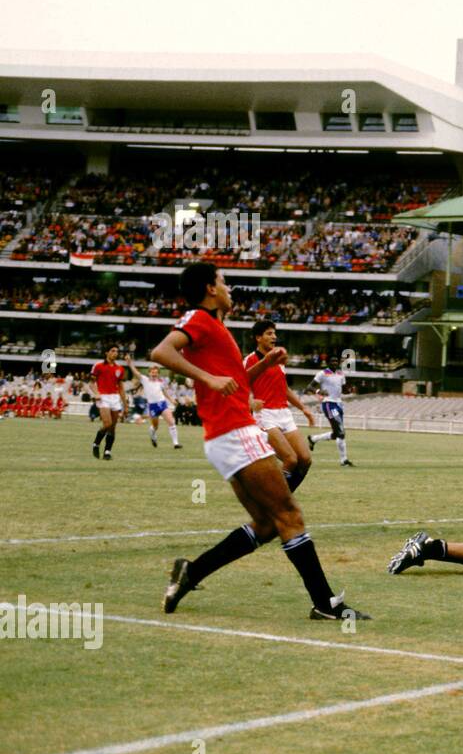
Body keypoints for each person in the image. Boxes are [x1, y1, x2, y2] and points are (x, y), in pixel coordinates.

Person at [151, 262, 368, 621]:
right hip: (236, 432)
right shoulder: (200, 319)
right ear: (209, 288)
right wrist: (208, 378)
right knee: (290, 515)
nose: (229, 288)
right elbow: (161, 352)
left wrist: (264, 366)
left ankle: (192, 572)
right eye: (223, 282)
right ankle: (326, 603)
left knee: (267, 524)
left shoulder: (216, 327)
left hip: (225, 436)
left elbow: (235, 382)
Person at [245, 319, 316, 491]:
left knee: (305, 459)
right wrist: (251, 402)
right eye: (269, 333)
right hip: (265, 415)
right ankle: (273, 503)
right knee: (290, 459)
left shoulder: (279, 360)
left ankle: (283, 499)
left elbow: (284, 388)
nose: (274, 337)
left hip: (284, 414)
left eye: (274, 333)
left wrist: (303, 408)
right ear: (258, 338)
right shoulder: (250, 360)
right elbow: (240, 385)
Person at [306, 357, 353, 466]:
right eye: (332, 361)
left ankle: (313, 439)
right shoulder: (322, 373)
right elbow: (309, 387)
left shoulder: (341, 374)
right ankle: (344, 461)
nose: (335, 363)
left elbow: (344, 390)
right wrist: (319, 391)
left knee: (337, 433)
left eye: (336, 361)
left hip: (339, 404)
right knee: (341, 432)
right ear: (328, 363)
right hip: (328, 404)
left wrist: (349, 390)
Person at [90, 344, 133, 460]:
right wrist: (96, 393)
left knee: (113, 427)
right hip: (103, 397)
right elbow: (91, 383)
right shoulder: (98, 366)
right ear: (106, 353)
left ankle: (107, 452)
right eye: (113, 351)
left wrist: (126, 405)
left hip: (115, 398)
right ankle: (96, 443)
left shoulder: (119, 369)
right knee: (107, 424)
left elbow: (121, 388)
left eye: (117, 351)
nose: (115, 353)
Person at [140, 365, 181, 449]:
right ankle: (152, 434)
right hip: (152, 406)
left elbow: (164, 391)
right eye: (152, 372)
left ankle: (176, 443)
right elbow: (136, 373)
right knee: (155, 426)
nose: (154, 374)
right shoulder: (145, 381)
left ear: (158, 374)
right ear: (149, 373)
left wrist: (171, 400)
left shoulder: (160, 382)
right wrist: (129, 363)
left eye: (156, 372)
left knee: (171, 422)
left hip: (162, 403)